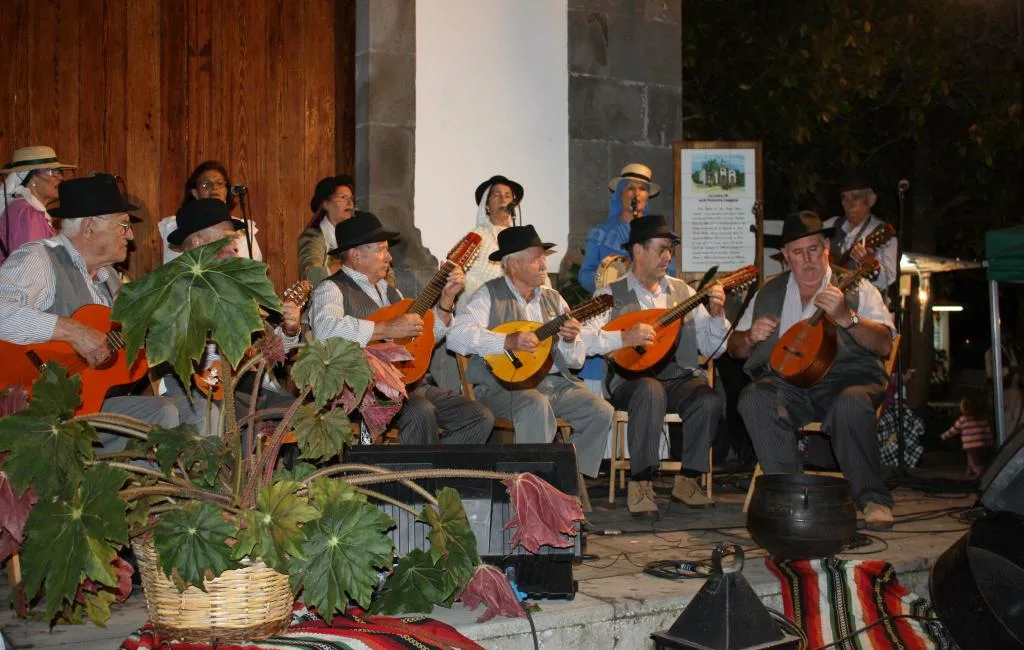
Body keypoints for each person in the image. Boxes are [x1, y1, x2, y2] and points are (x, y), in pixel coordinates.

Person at [0, 174, 194, 450]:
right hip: (34, 409)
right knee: (161, 413)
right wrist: (73, 331)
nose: (130, 234)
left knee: (190, 409)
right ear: (89, 227)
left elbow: (119, 349)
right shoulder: (39, 259)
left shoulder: (110, 279)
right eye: (123, 225)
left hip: (87, 407)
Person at [728, 211, 897, 530]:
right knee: (753, 398)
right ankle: (792, 496)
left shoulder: (857, 286)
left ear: (826, 249)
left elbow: (884, 344)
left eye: (813, 249)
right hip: (790, 384)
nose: (807, 260)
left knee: (850, 405)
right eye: (797, 252)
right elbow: (734, 348)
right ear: (786, 257)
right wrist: (749, 338)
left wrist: (847, 316)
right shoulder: (769, 291)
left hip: (849, 379)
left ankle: (873, 499)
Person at [307, 211, 493, 445]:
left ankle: (442, 472)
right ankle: (413, 477)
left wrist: (446, 301)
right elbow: (326, 330)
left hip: (409, 385)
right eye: (381, 249)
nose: (389, 257)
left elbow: (422, 339)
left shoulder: (391, 292)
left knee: (479, 417)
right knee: (421, 411)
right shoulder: (331, 289)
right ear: (355, 255)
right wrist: (385, 329)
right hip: (363, 392)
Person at [583, 215, 727, 516]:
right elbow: (585, 340)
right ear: (637, 250)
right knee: (650, 392)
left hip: (678, 378)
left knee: (708, 398)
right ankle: (641, 482)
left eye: (670, 251)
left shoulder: (683, 293)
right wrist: (623, 337)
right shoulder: (610, 295)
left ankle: (688, 480)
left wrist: (716, 314)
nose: (667, 257)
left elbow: (715, 348)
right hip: (631, 382)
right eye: (661, 249)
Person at [447, 225, 614, 479]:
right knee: (536, 404)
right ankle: (532, 487)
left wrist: (569, 340)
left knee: (601, 411)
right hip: (501, 388)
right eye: (536, 258)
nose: (544, 264)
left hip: (554, 385)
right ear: (513, 265)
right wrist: (505, 341)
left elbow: (575, 361)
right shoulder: (488, 295)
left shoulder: (554, 299)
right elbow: (456, 337)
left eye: (543, 257)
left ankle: (566, 480)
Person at [164, 198, 301, 424]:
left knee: (300, 413)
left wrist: (289, 330)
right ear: (198, 243)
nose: (235, 247)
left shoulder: (239, 287)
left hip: (241, 386)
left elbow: (267, 353)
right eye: (227, 239)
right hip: (193, 391)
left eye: (235, 239)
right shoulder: (171, 286)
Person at [577, 163, 674, 385]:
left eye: (642, 189)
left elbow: (671, 271)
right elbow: (584, 275)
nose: (636, 194)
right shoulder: (601, 233)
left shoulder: (660, 235)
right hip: (612, 309)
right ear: (620, 193)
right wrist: (610, 283)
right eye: (630, 188)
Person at [159, 161, 262, 263]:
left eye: (220, 183)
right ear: (195, 192)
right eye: (205, 184)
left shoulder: (243, 228)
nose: (214, 188)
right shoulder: (175, 226)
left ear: (226, 190)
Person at [822, 170, 898, 295]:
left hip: (864, 310)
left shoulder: (882, 233)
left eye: (855, 197)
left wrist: (869, 263)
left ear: (871, 200)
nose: (848, 203)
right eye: (844, 198)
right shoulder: (830, 225)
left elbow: (889, 280)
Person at [0, 146, 76, 264]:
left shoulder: (24, 209)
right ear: (32, 178)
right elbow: (32, 266)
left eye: (59, 171)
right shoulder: (27, 214)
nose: (61, 177)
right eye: (52, 172)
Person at [463, 174, 525, 300]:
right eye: (497, 195)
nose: (503, 200)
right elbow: (466, 279)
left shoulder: (523, 239)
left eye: (508, 196)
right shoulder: (475, 237)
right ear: (486, 205)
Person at [298, 174, 356, 285]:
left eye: (351, 199)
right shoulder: (313, 237)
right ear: (325, 204)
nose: (350, 203)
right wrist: (351, 267)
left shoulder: (359, 234)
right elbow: (309, 277)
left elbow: (386, 271)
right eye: (343, 197)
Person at [985, 329, 1024, 440]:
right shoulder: (991, 352)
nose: (1007, 337)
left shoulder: (1014, 351)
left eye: (1009, 334)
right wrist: (1010, 370)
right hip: (1003, 392)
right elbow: (991, 373)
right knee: (1005, 421)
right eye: (1005, 334)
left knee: (1017, 419)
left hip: (1016, 390)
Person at [941, 395, 993, 477]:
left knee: (974, 461)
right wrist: (989, 441)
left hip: (970, 444)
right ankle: (969, 470)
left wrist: (944, 436)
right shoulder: (981, 419)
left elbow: (953, 430)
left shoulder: (962, 420)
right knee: (973, 457)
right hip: (981, 443)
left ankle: (979, 472)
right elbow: (987, 431)